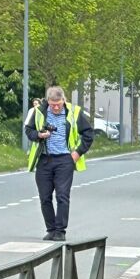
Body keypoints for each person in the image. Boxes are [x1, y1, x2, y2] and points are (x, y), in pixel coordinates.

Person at [24, 87, 94, 241]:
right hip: (44, 159)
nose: (55, 107)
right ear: (47, 101)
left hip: (65, 160)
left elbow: (89, 133)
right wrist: (39, 135)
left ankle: (61, 231)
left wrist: (77, 153)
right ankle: (51, 229)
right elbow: (28, 130)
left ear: (64, 100)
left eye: (58, 104)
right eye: (52, 104)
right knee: (44, 197)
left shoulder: (74, 112)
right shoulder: (39, 112)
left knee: (62, 196)